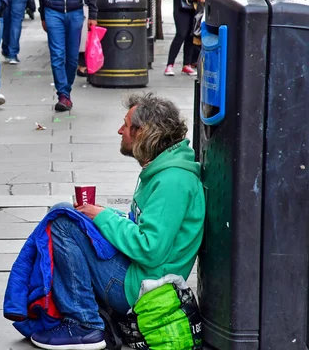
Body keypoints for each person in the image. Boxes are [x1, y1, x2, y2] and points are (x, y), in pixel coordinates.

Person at [26, 93, 205, 349]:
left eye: (126, 124)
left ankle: (85, 325)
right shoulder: (160, 171)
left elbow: (150, 248)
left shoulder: (172, 182)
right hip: (139, 272)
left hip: (140, 286)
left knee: (63, 224)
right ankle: (98, 318)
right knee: (69, 214)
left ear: (143, 132)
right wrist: (100, 215)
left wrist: (104, 217)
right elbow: (144, 228)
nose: (120, 130)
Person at [37, 0, 97, 112]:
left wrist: (93, 13)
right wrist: (43, 15)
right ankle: (63, 95)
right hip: (53, 10)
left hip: (75, 10)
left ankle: (66, 89)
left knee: (72, 57)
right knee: (57, 54)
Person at [164, 0, 206, 77]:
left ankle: (186, 65)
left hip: (196, 3)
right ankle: (169, 65)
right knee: (181, 33)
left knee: (191, 35)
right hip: (182, 2)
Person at [77, 0, 105, 78]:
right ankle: (82, 65)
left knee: (86, 37)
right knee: (84, 37)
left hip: (88, 3)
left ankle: (84, 64)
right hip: (84, 3)